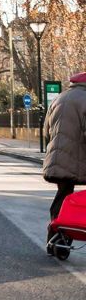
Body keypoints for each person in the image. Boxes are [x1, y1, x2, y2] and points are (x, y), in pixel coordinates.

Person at [43, 72, 86, 231]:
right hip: (79, 158)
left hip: (58, 158)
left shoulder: (58, 98)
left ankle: (56, 236)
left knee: (63, 194)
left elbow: (46, 132)